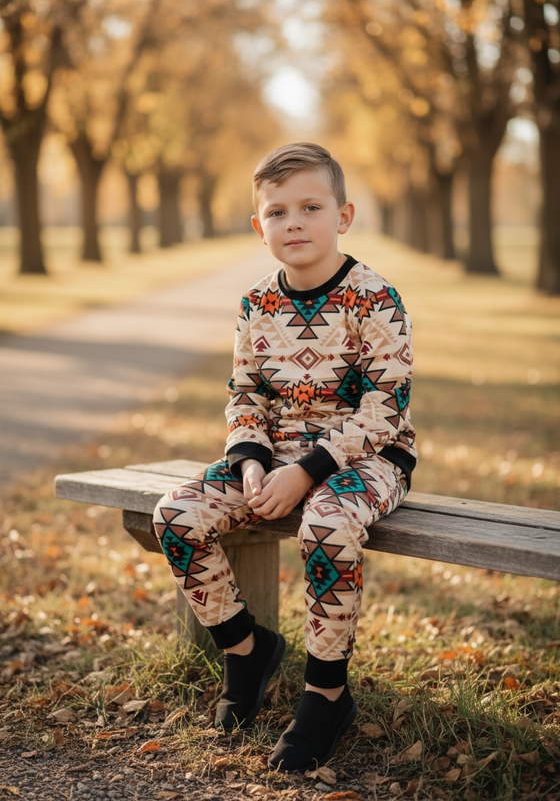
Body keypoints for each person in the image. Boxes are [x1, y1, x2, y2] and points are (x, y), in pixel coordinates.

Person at [153, 142, 417, 772]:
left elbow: (386, 405)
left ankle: (327, 692)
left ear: (343, 216)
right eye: (277, 212)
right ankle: (246, 650)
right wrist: (250, 462)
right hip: (273, 457)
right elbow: (245, 393)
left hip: (367, 457)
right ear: (259, 227)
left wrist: (308, 471)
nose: (293, 222)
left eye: (310, 207)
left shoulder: (374, 298)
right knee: (175, 515)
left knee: (325, 525)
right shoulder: (256, 304)